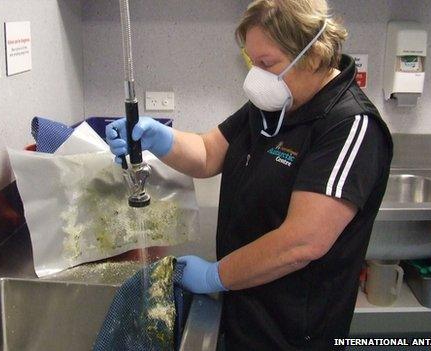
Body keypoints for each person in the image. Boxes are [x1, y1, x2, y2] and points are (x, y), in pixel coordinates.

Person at [106, 0, 393, 349]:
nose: (255, 75)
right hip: (243, 307)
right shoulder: (274, 104)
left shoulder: (350, 126)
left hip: (290, 332)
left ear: (313, 55)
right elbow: (209, 153)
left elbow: (302, 242)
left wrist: (216, 275)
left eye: (266, 63)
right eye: (251, 61)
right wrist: (158, 139)